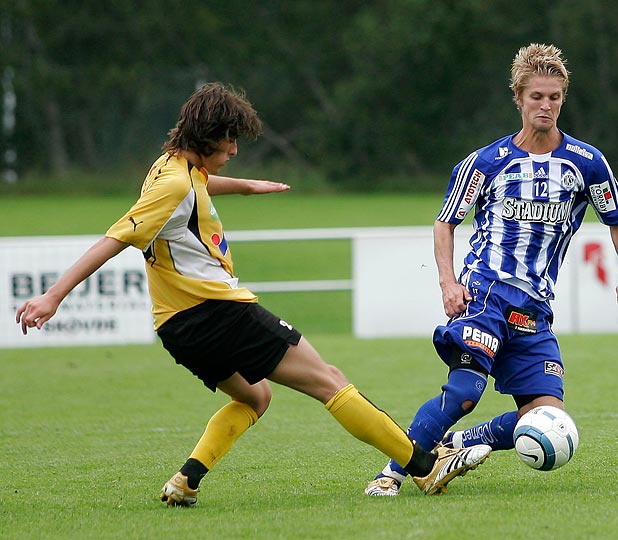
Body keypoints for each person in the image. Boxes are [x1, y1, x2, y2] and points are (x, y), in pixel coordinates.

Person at [15, 82, 489, 506]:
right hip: (219, 312)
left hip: (177, 328)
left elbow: (197, 186)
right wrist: (53, 296)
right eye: (230, 140)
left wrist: (245, 187)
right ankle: (425, 469)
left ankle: (186, 481)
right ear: (207, 137)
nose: (236, 149)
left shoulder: (168, 168)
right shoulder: (176, 183)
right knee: (329, 379)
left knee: (255, 398)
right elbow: (113, 239)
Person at [365, 43, 618, 497]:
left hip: (534, 308)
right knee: (464, 393)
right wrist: (448, 282)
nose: (546, 105)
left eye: (554, 97)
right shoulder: (487, 163)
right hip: (486, 293)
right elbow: (445, 223)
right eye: (536, 96)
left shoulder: (587, 163)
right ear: (518, 98)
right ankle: (392, 472)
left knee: (546, 415)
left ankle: (455, 444)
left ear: (563, 99)